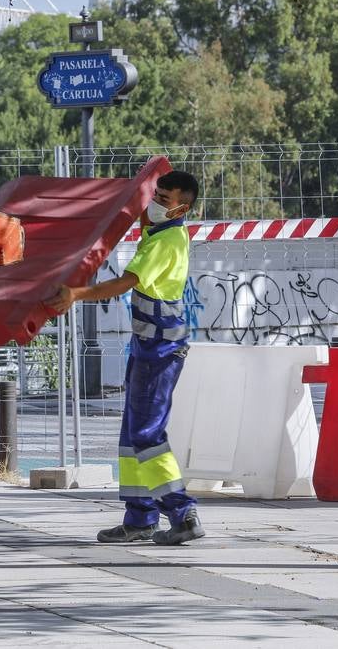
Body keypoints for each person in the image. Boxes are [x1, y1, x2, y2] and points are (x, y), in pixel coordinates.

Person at [48, 170, 204, 545]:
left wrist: (76, 294)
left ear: (182, 207)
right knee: (132, 435)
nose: (156, 202)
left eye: (164, 200)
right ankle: (139, 519)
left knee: (147, 434)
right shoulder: (158, 231)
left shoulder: (166, 241)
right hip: (149, 347)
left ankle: (182, 514)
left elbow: (125, 283)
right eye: (157, 194)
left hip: (161, 351)